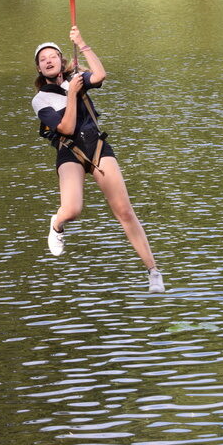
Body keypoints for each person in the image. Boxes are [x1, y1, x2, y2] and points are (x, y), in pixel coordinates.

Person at [32, 26, 165, 293]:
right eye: (42, 59)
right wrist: (72, 95)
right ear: (39, 68)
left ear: (61, 61)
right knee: (73, 210)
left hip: (97, 146)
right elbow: (67, 129)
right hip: (70, 151)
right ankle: (56, 224)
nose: (48, 60)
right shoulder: (41, 99)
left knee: (125, 211)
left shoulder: (76, 80)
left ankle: (153, 271)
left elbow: (102, 73)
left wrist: (81, 43)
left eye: (53, 56)